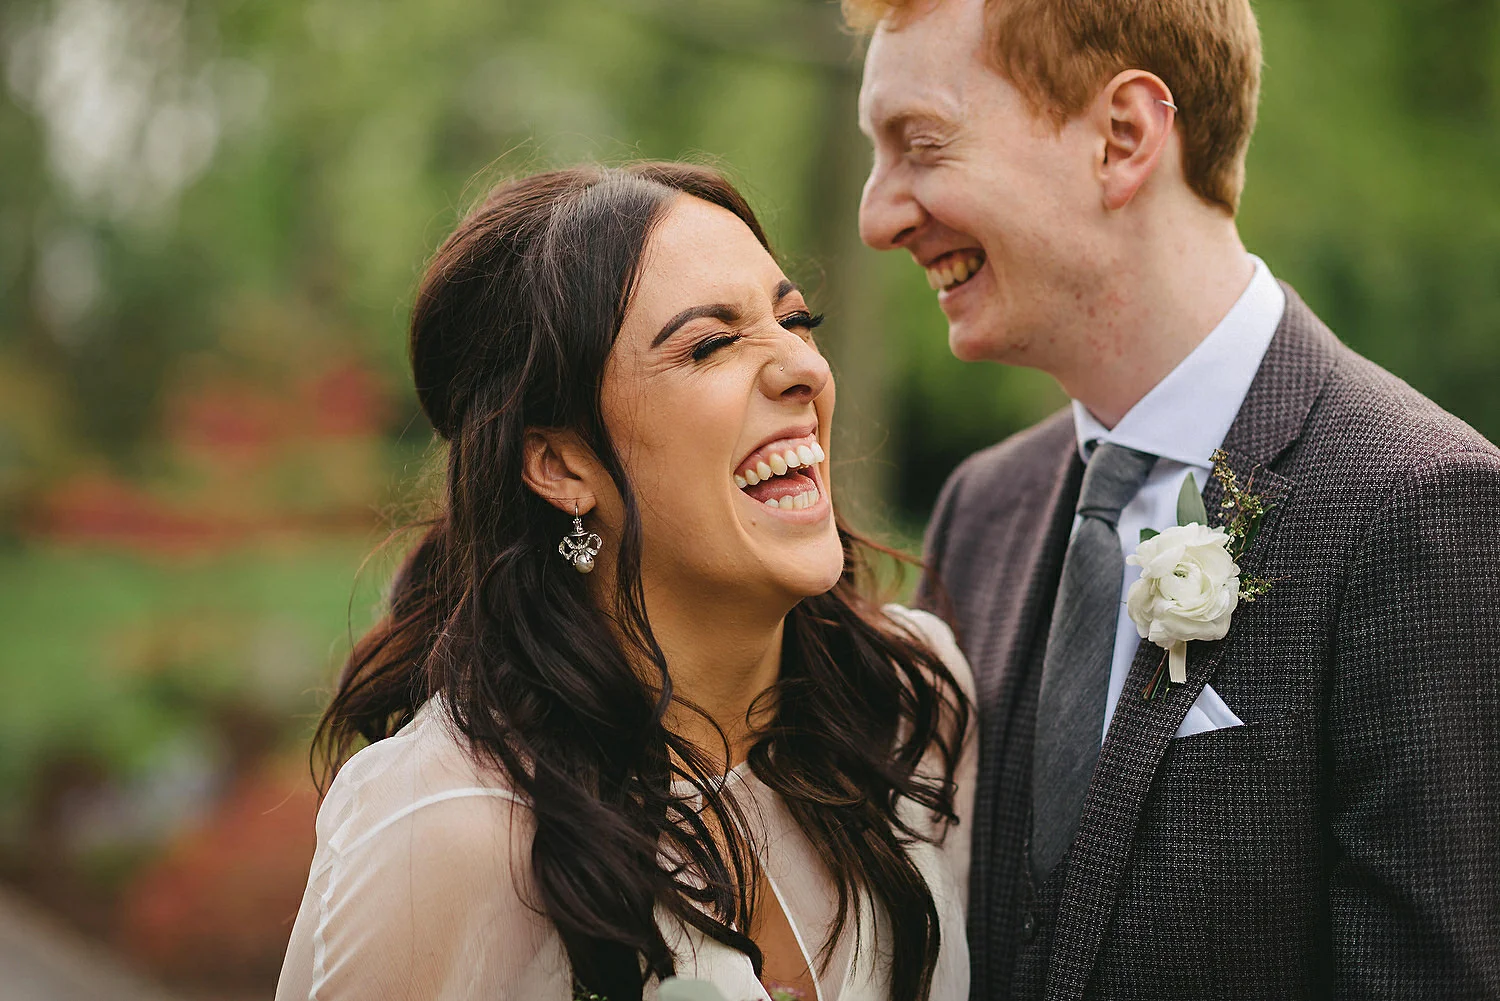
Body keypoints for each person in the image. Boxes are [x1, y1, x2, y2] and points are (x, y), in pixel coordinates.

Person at [846, 0, 1500, 998]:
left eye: (922, 146)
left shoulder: (1419, 507)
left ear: (1124, 138)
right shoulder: (982, 508)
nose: (876, 214)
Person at [274, 163, 976, 1001]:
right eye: (710, 344)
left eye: (796, 320)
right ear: (562, 463)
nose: (802, 368)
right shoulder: (451, 829)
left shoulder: (908, 701)